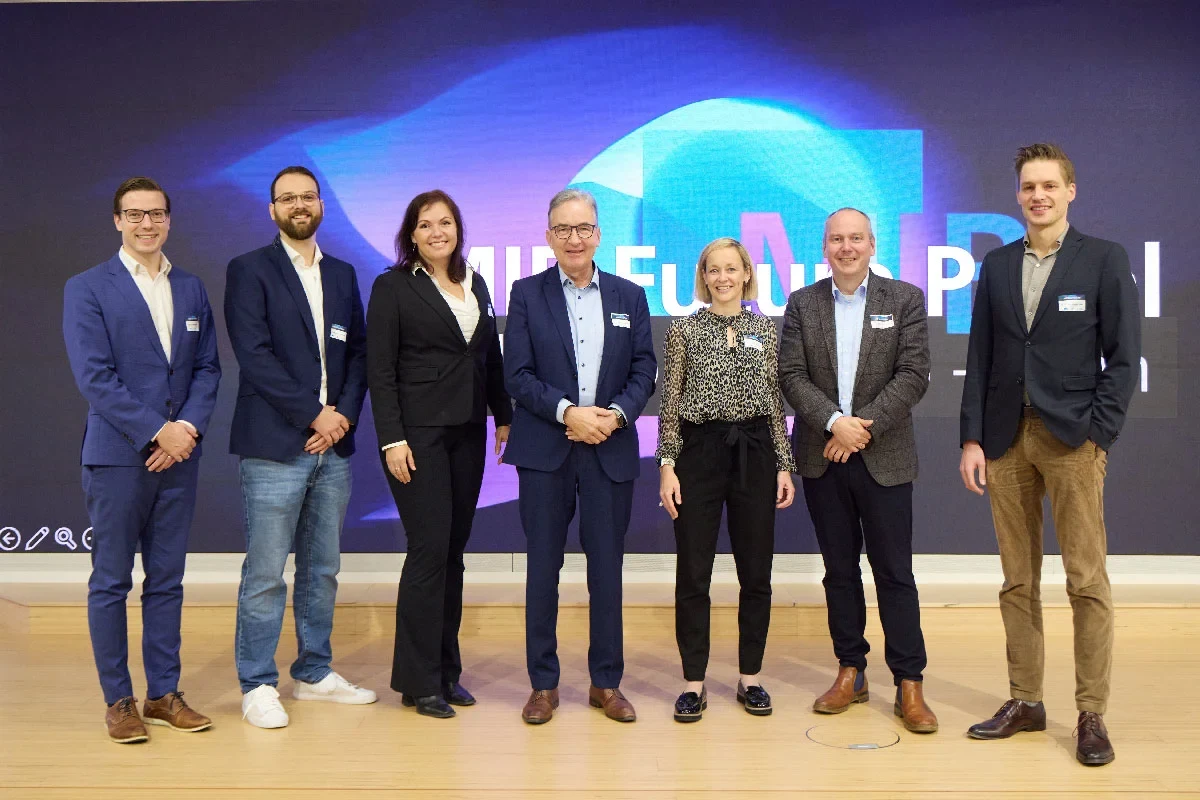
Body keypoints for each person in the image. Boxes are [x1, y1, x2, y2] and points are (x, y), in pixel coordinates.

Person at [959, 143, 1140, 766]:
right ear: (1017, 196)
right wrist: (973, 437)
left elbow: (1122, 359)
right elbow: (979, 356)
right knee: (1017, 580)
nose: (1038, 195)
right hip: (1007, 439)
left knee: (1086, 580)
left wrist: (1100, 433)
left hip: (1072, 440)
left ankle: (1091, 714)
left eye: (1049, 186)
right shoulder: (999, 263)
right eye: (1028, 187)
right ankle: (1026, 701)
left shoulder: (1104, 260)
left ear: (1070, 191)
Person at [63, 176, 221, 743]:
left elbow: (207, 370)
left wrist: (186, 431)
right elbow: (95, 378)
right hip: (119, 456)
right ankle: (119, 700)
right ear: (116, 221)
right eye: (134, 214)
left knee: (167, 580)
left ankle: (163, 694)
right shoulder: (87, 288)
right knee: (110, 581)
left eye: (156, 214)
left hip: (180, 457)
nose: (146, 224)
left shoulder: (193, 288)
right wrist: (157, 432)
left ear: (169, 220)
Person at [225, 165, 375, 729]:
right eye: (287, 198)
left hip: (330, 448)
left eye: (307, 197)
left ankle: (313, 672)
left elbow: (358, 354)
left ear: (320, 205)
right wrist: (315, 414)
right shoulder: (249, 270)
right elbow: (254, 354)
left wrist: (339, 420)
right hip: (274, 446)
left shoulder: (340, 274)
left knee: (323, 568)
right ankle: (257, 683)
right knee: (266, 571)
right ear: (272, 211)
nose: (298, 205)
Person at [778, 207, 937, 734]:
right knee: (839, 572)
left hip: (884, 456)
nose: (846, 247)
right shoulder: (803, 303)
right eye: (836, 240)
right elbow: (792, 375)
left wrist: (861, 428)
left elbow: (914, 373)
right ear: (824, 248)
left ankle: (909, 682)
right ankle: (851, 670)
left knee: (895, 573)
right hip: (825, 458)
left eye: (856, 239)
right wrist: (833, 423)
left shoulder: (905, 299)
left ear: (872, 245)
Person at [502, 188, 657, 724]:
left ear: (598, 233)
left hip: (609, 450)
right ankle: (543, 685)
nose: (574, 239)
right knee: (543, 569)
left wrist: (612, 416)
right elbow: (516, 375)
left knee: (607, 571)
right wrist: (569, 412)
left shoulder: (629, 295)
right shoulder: (525, 294)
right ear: (548, 237)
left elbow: (644, 371)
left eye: (584, 229)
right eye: (563, 230)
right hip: (546, 449)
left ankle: (605, 683)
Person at [366, 190, 512, 719]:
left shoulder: (475, 282)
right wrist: (391, 438)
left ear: (458, 229)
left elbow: (487, 354)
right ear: (411, 234)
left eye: (445, 223)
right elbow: (379, 370)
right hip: (418, 436)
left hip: (468, 431)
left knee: (453, 552)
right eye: (425, 225)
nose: (436, 233)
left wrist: (504, 413)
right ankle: (416, 679)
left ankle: (447, 672)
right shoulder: (393, 287)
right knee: (428, 552)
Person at [657, 237, 796, 722]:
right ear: (703, 277)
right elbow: (670, 403)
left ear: (746, 274)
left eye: (731, 269)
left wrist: (784, 463)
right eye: (713, 270)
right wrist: (667, 465)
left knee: (755, 572)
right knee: (693, 573)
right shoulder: (683, 331)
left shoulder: (765, 328)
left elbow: (776, 404)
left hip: (756, 452)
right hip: (698, 453)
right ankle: (693, 682)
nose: (722, 278)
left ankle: (750, 678)